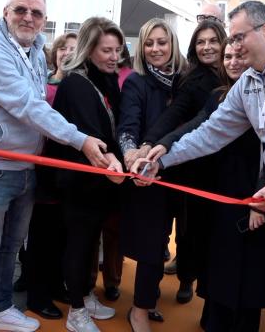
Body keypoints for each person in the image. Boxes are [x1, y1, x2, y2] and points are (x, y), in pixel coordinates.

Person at [133, 1, 265, 332]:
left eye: (237, 37)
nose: (231, 46)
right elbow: (211, 132)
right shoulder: (249, 81)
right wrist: (162, 159)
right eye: (230, 39)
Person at [0, 0, 111, 332]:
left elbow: (37, 106)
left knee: (10, 247)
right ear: (5, 12)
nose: (28, 17)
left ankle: (0, 309)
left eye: (37, 13)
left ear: (44, 21)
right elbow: (28, 107)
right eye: (21, 10)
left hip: (26, 167)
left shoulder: (37, 52)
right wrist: (81, 140)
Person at [147, 42, 265, 331]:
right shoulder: (219, 97)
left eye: (239, 56)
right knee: (219, 262)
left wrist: (259, 198)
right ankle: (214, 320)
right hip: (219, 193)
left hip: (252, 198)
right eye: (227, 57)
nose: (232, 62)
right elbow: (198, 125)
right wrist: (164, 145)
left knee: (248, 270)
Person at [44, 16, 125, 332]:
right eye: (106, 50)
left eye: (117, 50)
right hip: (79, 183)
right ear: (90, 49)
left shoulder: (104, 81)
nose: (113, 57)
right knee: (79, 245)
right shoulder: (76, 83)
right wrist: (115, 163)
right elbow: (89, 133)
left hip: (99, 184)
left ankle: (85, 295)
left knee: (91, 244)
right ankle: (75, 311)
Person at [140, 20, 226, 307]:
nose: (207, 47)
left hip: (227, 167)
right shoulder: (192, 79)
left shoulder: (237, 75)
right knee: (191, 228)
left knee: (215, 232)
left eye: (213, 40)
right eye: (201, 42)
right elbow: (180, 116)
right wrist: (151, 143)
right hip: (193, 164)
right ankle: (188, 279)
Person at [117, 18, 187, 332]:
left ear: (172, 44)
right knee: (151, 245)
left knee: (173, 243)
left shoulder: (186, 80)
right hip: (149, 176)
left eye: (162, 42)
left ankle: (151, 296)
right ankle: (140, 308)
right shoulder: (137, 82)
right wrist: (132, 154)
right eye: (149, 43)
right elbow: (127, 126)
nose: (156, 49)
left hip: (185, 174)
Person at [21, 32, 78, 320]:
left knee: (61, 236)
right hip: (44, 170)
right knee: (41, 236)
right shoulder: (43, 87)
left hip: (68, 173)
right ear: (54, 53)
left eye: (74, 48)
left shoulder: (80, 85)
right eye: (63, 48)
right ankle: (37, 295)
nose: (68, 53)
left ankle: (56, 285)